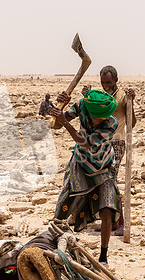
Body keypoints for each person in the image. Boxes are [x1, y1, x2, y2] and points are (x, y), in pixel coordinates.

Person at [51, 89, 121, 264]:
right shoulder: (82, 105)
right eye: (95, 117)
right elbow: (56, 124)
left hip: (104, 167)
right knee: (65, 202)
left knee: (106, 207)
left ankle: (103, 256)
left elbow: (86, 143)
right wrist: (61, 109)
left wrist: (65, 122)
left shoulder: (111, 124)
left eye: (101, 118)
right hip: (81, 163)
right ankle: (52, 242)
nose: (97, 120)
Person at [83, 65, 136, 236]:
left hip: (117, 142)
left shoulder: (122, 96)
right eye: (103, 82)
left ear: (116, 80)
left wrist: (131, 102)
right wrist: (86, 98)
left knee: (111, 180)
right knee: (102, 182)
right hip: (100, 143)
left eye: (108, 82)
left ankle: (121, 222)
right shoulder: (100, 97)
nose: (105, 85)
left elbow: (132, 122)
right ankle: (110, 221)